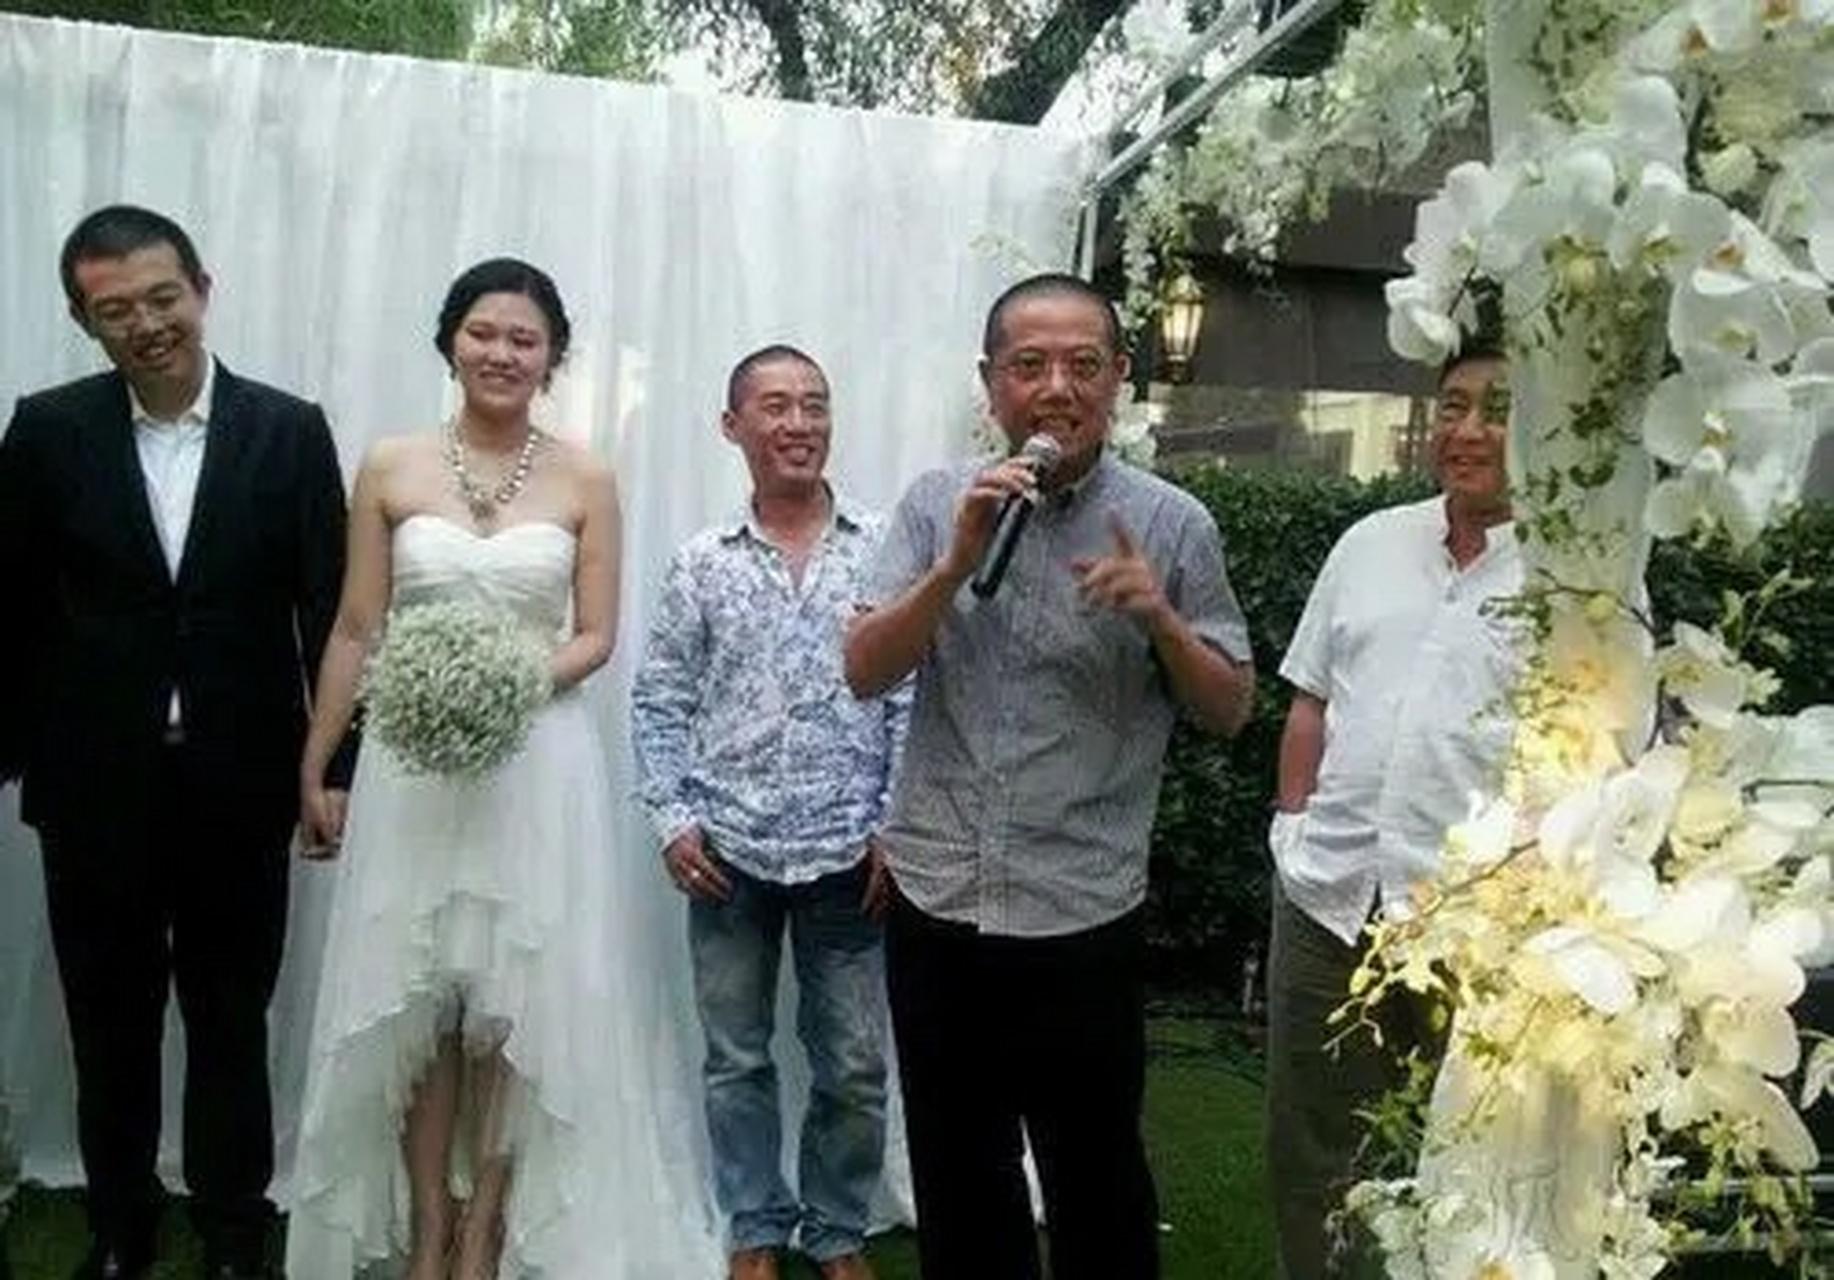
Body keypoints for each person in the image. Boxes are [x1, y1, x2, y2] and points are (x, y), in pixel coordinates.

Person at [286, 259, 721, 1279]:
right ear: (450, 340)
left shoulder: (587, 477)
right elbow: (356, 625)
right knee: (419, 999)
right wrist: (318, 761)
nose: (501, 353)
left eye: (524, 339)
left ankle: (485, 1226)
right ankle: (428, 1228)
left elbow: (597, 635)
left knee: (510, 1001)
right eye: (483, 332)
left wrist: (504, 681)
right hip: (412, 765)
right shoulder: (390, 465)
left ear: (552, 357)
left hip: (536, 762)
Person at [844, 273, 1255, 1279]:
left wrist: (1161, 620)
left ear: (1119, 378)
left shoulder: (1170, 524)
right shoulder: (936, 502)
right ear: (992, 383)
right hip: (940, 900)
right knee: (959, 1177)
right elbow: (863, 669)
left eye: (1082, 364)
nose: (1056, 388)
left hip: (1080, 908)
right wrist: (952, 565)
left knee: (1095, 1180)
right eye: (1029, 365)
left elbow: (1230, 707)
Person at [0, 205, 352, 1280]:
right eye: (116, 310)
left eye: (163, 297)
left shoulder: (289, 430)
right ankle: (121, 1221)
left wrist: (333, 769)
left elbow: (330, 612)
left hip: (241, 781)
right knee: (107, 1018)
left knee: (231, 1015)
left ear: (202, 287)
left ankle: (234, 1224)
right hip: (92, 784)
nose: (147, 323)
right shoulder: (46, 429)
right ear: (84, 320)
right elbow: (9, 606)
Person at [631, 345, 906, 1280]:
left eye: (814, 405)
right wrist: (672, 818)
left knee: (855, 1066)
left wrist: (895, 823)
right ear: (733, 426)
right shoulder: (702, 562)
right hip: (728, 853)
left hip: (851, 853)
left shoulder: (884, 547)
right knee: (736, 1057)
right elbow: (660, 699)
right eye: (777, 406)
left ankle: (836, 1232)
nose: (799, 423)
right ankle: (756, 1224)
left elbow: (911, 692)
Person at [1264, 345, 1523, 1278]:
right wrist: (1292, 830)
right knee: (1311, 1152)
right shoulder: (1370, 543)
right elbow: (1310, 699)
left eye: (1498, 409)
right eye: (1453, 406)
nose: (1468, 431)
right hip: (1330, 900)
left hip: (1477, 922)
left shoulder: (1578, 573)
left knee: (1462, 1156)